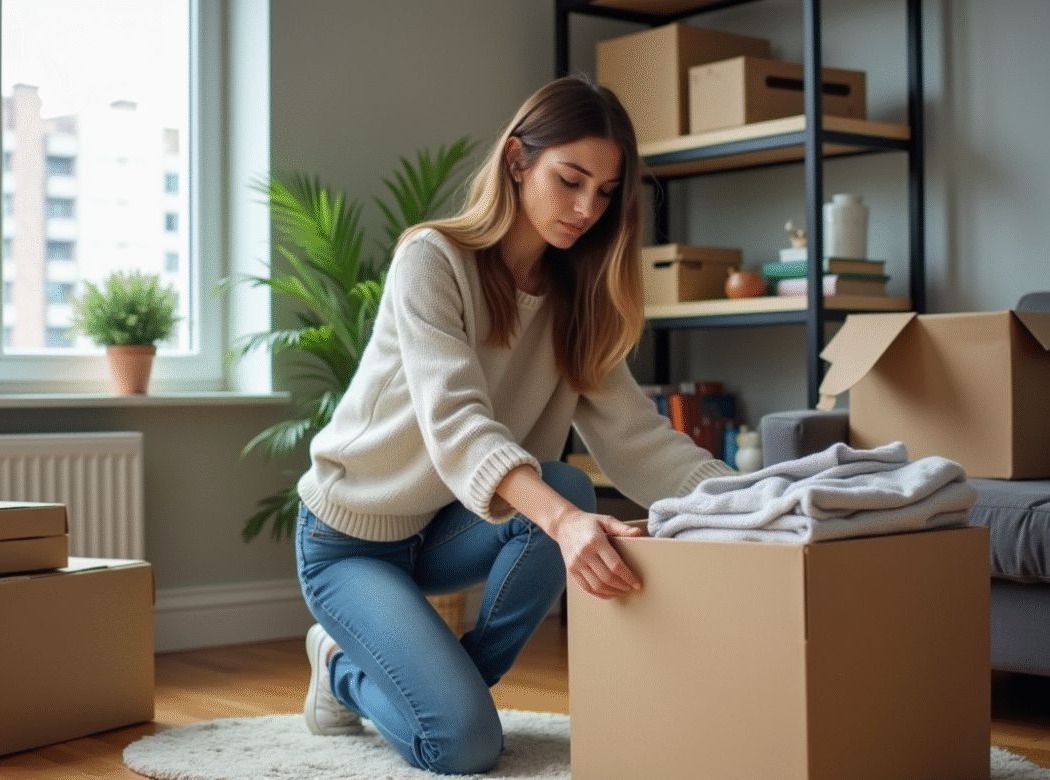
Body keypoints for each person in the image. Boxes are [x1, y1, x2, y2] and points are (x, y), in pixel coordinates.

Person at [294, 75, 736, 775]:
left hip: (445, 532)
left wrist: (759, 505)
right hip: (351, 543)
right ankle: (340, 666)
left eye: (606, 192)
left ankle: (449, 690)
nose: (587, 208)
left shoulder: (576, 298)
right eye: (570, 180)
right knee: (464, 746)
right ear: (516, 160)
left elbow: (640, 440)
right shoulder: (432, 260)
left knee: (571, 489)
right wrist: (563, 522)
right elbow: (457, 423)